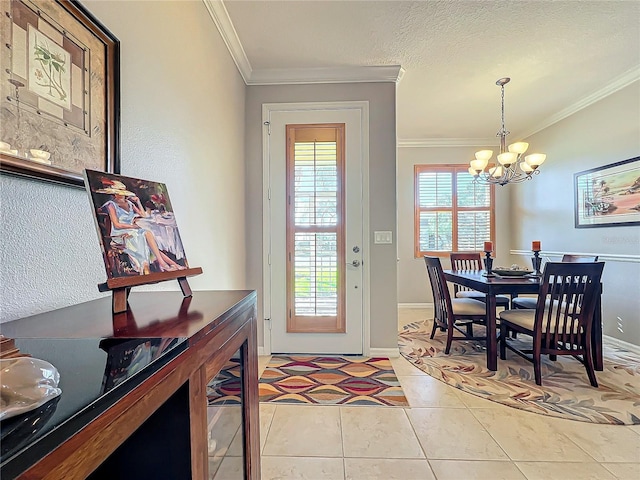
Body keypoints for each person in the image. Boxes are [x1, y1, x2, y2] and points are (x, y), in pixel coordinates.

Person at [96, 180, 185, 274]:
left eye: (122, 193)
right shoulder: (111, 205)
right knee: (145, 234)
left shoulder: (130, 204)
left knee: (147, 236)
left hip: (133, 230)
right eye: (118, 193)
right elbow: (117, 225)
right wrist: (133, 226)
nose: (120, 195)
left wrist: (138, 202)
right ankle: (167, 264)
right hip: (120, 233)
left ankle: (169, 264)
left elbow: (143, 215)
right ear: (114, 194)